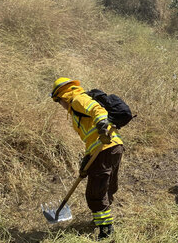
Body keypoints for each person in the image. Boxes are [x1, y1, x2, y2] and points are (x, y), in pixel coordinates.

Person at [51, 77, 124, 239]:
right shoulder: (77, 108)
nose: (61, 105)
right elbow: (91, 139)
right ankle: (101, 219)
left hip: (105, 148)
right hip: (111, 148)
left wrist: (102, 126)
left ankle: (106, 231)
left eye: (58, 101)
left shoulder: (78, 99)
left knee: (95, 193)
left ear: (63, 96)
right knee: (106, 187)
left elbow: (98, 111)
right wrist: (85, 163)